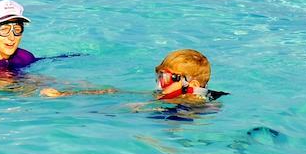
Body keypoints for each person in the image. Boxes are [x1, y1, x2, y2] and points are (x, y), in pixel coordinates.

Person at [39, 48, 227, 103]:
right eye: (159, 77)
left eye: (168, 78)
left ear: (190, 83)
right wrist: (66, 94)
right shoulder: (170, 98)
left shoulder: (190, 109)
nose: (161, 84)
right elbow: (116, 92)